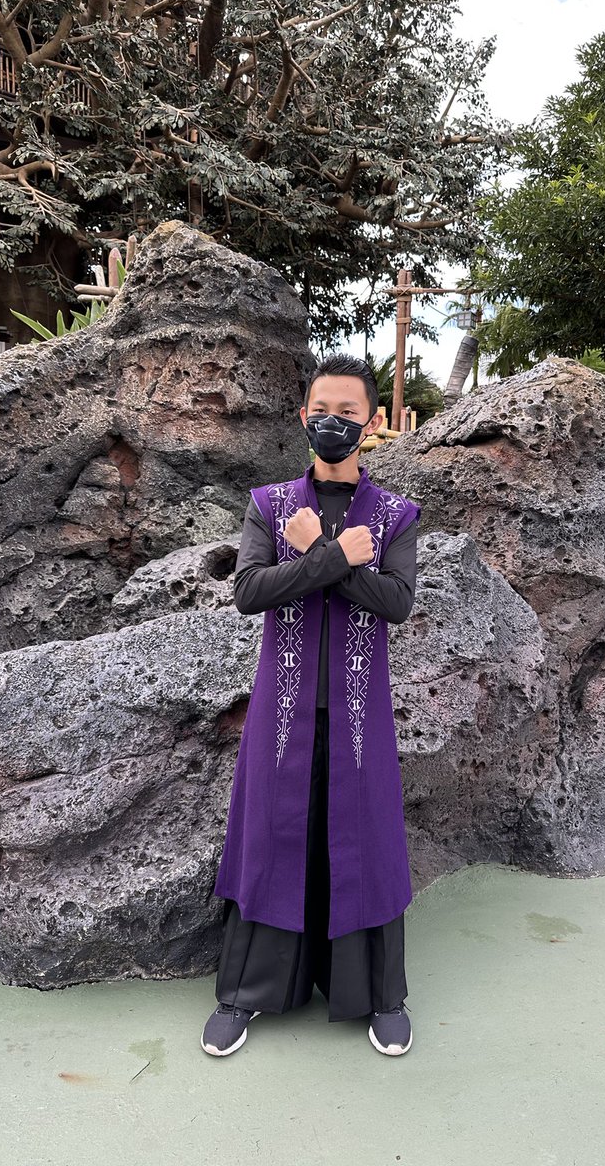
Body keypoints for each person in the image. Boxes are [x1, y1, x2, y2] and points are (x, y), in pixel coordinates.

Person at [201, 353, 421, 1057]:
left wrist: (320, 555)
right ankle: (244, 993)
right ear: (303, 417)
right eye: (321, 410)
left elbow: (397, 603)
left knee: (365, 841)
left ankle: (381, 994)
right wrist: (332, 556)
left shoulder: (395, 515)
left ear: (373, 422)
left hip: (358, 716)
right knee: (272, 838)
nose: (333, 422)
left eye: (348, 412)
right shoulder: (270, 506)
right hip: (282, 714)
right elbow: (248, 592)